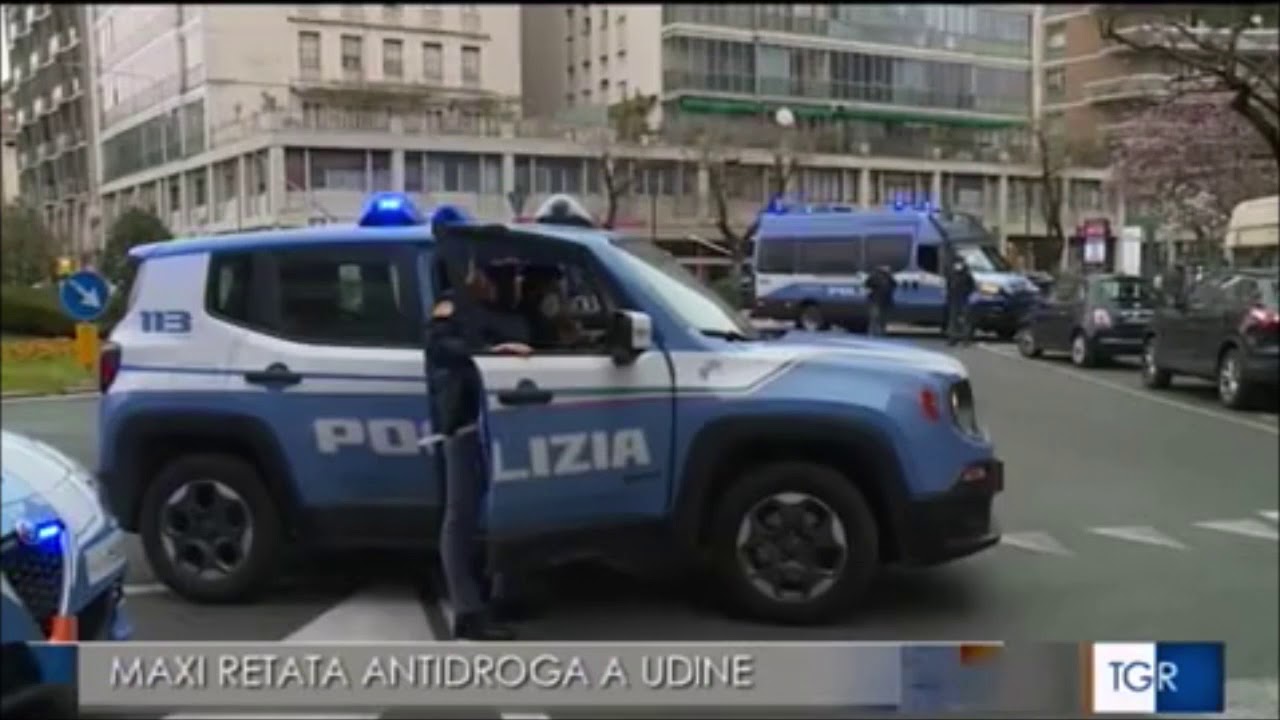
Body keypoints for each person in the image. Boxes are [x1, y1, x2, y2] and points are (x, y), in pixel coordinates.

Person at [427, 261, 533, 641]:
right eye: (505, 276)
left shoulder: (504, 310)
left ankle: (499, 595)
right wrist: (492, 353)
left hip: (497, 421)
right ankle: (468, 612)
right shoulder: (453, 305)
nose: (514, 283)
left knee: (496, 511)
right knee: (461, 516)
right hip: (466, 420)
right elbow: (442, 346)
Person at [945, 257, 976, 346]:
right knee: (953, 320)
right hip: (954, 299)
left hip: (964, 299)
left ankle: (966, 340)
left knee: (966, 320)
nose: (958, 266)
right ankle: (952, 339)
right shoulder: (951, 274)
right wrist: (948, 296)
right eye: (957, 263)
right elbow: (948, 286)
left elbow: (972, 287)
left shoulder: (967, 274)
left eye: (960, 263)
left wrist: (968, 295)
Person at [864, 265, 898, 337]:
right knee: (875, 317)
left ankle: (880, 332)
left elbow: (894, 285)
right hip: (876, 300)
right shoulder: (875, 276)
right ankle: (873, 332)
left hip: (884, 300)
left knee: (882, 318)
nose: (889, 270)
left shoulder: (889, 278)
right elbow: (867, 284)